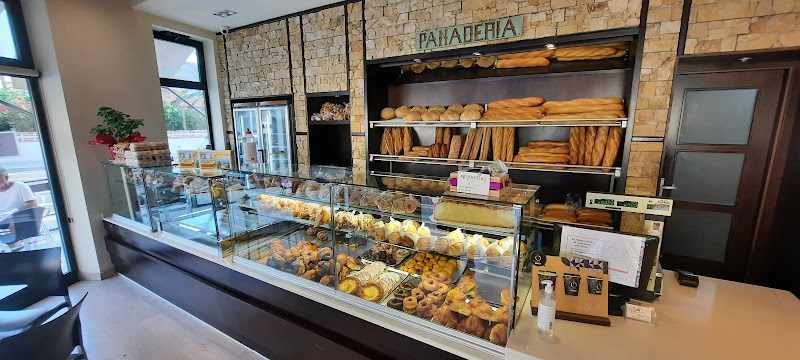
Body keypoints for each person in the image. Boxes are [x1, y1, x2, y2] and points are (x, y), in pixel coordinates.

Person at [0, 166, 37, 250]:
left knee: (9, 224)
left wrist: (14, 213)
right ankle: (15, 246)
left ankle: (15, 245)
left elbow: (32, 204)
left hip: (20, 218)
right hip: (3, 221)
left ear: (6, 177)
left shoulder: (20, 186)